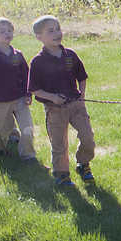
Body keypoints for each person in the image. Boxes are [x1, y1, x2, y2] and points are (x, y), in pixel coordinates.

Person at [28, 15, 97, 187]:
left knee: (88, 137)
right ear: (39, 37)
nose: (57, 33)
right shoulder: (38, 62)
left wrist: (82, 94)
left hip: (76, 105)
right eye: (50, 31)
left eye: (58, 28)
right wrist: (52, 97)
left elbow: (82, 77)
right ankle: (62, 174)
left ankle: (83, 164)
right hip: (55, 109)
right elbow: (34, 88)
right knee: (59, 143)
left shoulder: (70, 55)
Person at [0, 17, 36, 160]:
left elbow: (26, 75)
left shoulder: (17, 54)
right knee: (2, 131)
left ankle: (28, 155)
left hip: (20, 98)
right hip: (0, 101)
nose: (7, 34)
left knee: (27, 128)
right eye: (2, 31)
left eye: (10, 30)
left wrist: (28, 93)